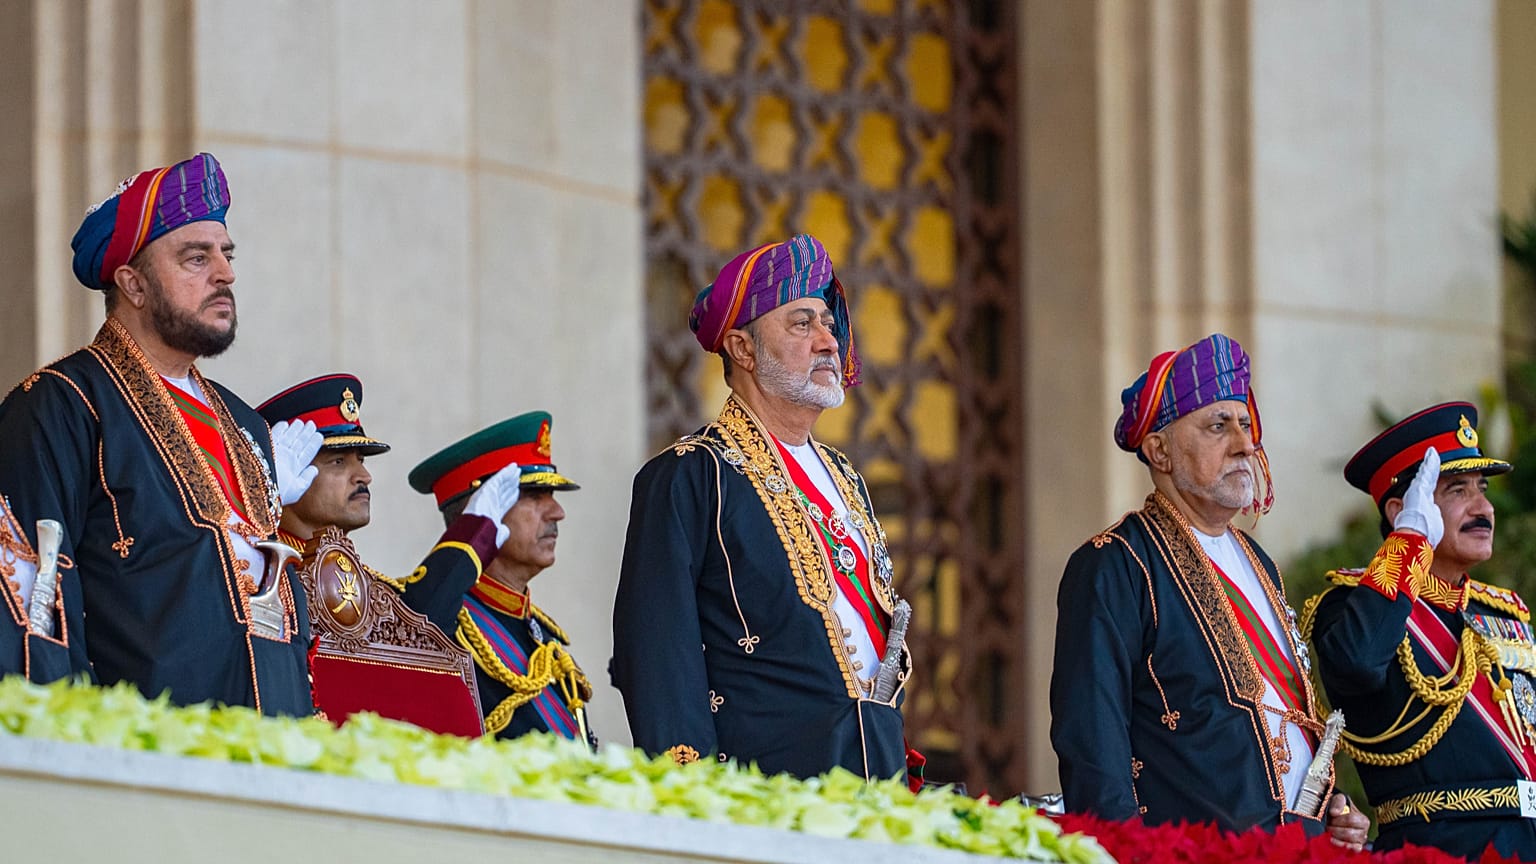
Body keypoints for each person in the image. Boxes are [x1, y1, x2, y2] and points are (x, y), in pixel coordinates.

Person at [0, 153, 324, 714]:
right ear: (133, 284)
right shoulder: (63, 403)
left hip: (273, 756)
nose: (225, 273)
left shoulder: (243, 421)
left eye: (226, 254)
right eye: (195, 258)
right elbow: (33, 594)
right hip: (146, 765)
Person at [612, 233, 916, 784]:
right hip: (763, 798)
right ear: (743, 349)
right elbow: (658, 658)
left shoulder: (845, 475)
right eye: (801, 323)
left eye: (827, 322)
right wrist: (693, 798)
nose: (828, 340)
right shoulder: (689, 476)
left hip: (874, 786)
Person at [1050, 333, 1367, 845]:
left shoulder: (1258, 560)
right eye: (1218, 425)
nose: (1245, 443)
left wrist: (1332, 810)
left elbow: (1277, 723)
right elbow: (1094, 754)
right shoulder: (1115, 564)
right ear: (1160, 451)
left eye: (1244, 424)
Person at [1305, 402, 1536, 860]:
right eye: (1456, 490)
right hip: (1439, 850)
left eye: (1483, 489)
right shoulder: (1354, 606)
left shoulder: (1505, 611)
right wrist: (1409, 540)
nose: (1483, 507)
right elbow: (1356, 665)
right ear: (1400, 509)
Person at [404, 411, 595, 746]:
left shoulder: (543, 638)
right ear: (484, 510)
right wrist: (473, 534)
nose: (557, 512)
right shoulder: (437, 614)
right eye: (533, 496)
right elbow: (417, 629)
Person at [255, 374, 391, 556]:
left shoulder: (369, 582)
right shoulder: (261, 571)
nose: (365, 477)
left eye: (360, 460)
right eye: (338, 461)